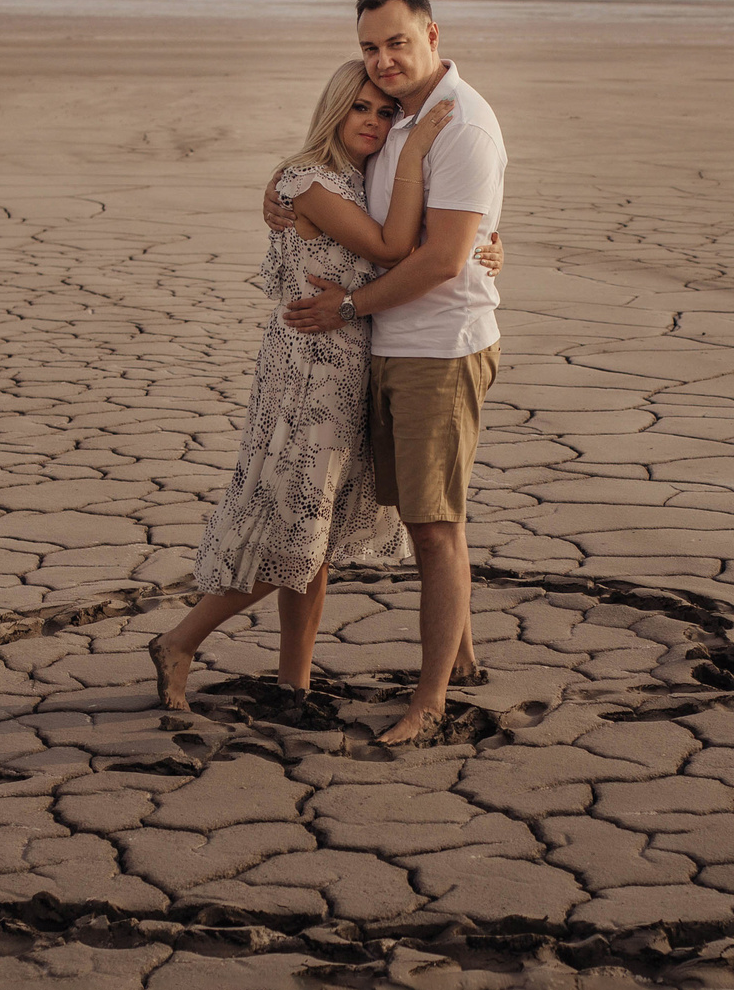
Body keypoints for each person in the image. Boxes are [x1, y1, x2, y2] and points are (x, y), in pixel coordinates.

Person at [150, 60, 498, 712]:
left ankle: (294, 685)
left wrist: (485, 244)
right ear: (335, 109)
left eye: (385, 112)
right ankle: (181, 641)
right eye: (360, 108)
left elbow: (430, 237)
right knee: (297, 533)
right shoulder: (308, 182)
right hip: (308, 376)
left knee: (319, 535)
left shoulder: (355, 183)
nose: (373, 121)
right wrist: (420, 145)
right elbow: (397, 247)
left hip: (352, 371)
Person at [270, 0, 506, 746]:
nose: (384, 61)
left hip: (438, 349)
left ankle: (431, 700)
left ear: (431, 33)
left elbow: (438, 258)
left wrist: (347, 307)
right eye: (371, 48)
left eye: (397, 42)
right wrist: (277, 195)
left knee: (436, 529)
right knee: (419, 516)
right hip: (388, 347)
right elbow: (343, 198)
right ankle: (461, 655)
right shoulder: (399, 120)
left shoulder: (461, 125)